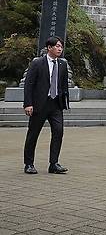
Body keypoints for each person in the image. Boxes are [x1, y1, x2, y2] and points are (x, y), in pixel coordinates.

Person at [23, 36, 70, 175]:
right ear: (49, 48)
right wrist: (28, 104)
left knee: (58, 131)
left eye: (61, 46)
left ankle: (54, 163)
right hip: (39, 104)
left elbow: (63, 85)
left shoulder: (62, 64)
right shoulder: (37, 63)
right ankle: (29, 164)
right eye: (57, 46)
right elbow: (29, 84)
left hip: (55, 104)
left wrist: (64, 101)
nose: (60, 49)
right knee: (33, 134)